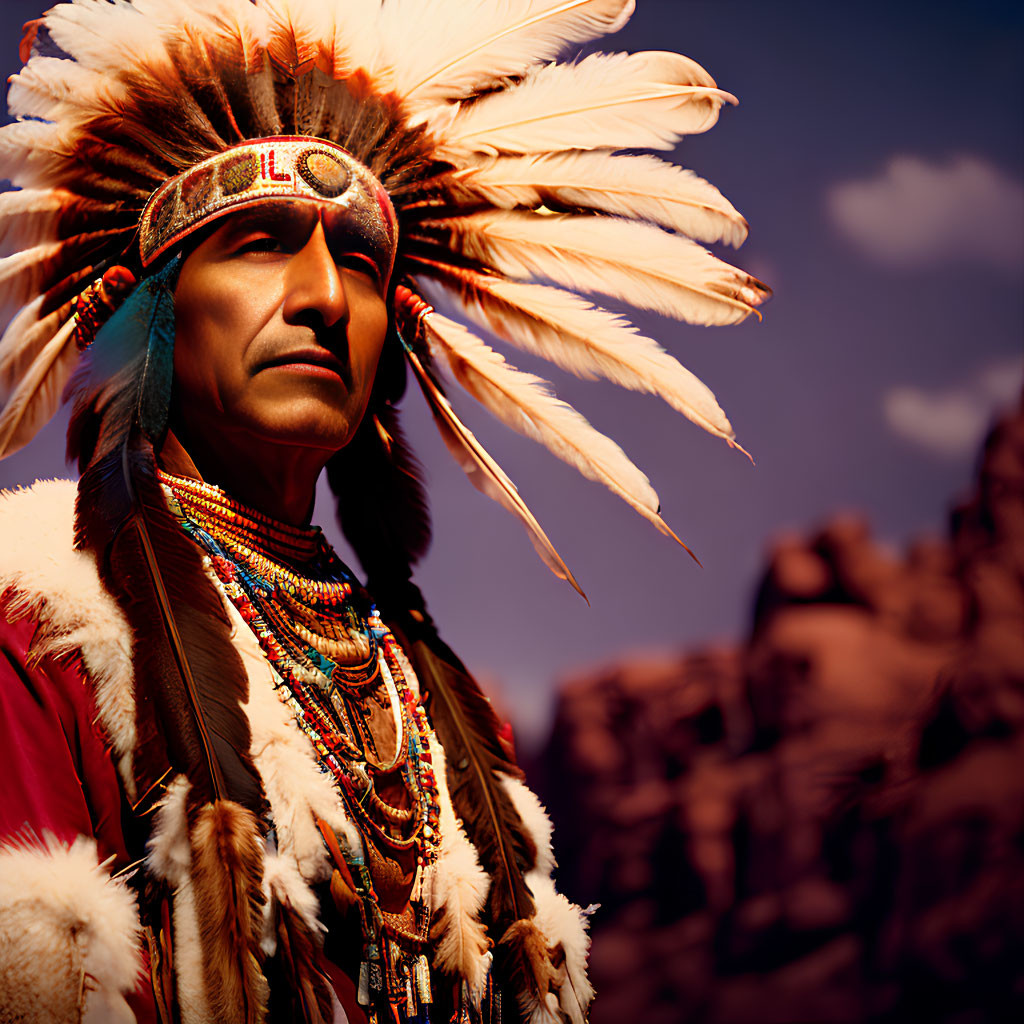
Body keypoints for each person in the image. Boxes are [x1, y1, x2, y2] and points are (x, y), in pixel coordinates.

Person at [0, 1, 767, 1021]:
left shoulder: (441, 709)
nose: (323, 294)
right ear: (153, 311)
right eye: (258, 243)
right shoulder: (42, 625)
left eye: (361, 260)